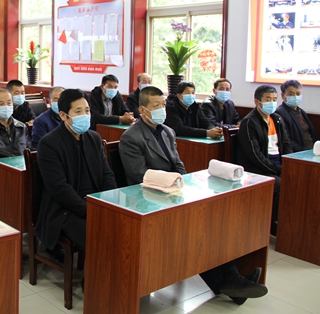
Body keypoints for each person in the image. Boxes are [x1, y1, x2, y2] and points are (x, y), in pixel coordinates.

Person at [120, 86, 268, 305]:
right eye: (156, 105)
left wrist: (182, 183)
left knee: (212, 221)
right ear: (142, 110)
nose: (162, 109)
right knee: (196, 229)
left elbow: (178, 164)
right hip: (150, 199)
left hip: (174, 192)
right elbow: (138, 176)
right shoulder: (131, 137)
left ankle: (232, 278)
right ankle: (231, 282)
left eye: (163, 104)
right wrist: (172, 184)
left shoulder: (167, 131)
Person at [36, 89, 116, 257]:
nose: (85, 116)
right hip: (65, 209)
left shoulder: (94, 138)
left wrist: (110, 201)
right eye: (78, 112)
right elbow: (59, 189)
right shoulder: (49, 143)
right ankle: (96, 273)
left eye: (87, 111)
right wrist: (89, 210)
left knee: (123, 226)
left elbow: (106, 174)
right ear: (63, 115)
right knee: (100, 235)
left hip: (95, 201)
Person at [237, 85, 293, 234]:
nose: (272, 103)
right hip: (257, 168)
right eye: (268, 99)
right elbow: (255, 156)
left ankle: (291, 221)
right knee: (280, 183)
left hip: (278, 164)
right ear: (257, 102)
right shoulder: (249, 122)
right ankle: (273, 223)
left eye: (274, 99)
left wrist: (289, 164)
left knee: (298, 179)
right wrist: (279, 170)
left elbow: (286, 144)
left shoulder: (277, 119)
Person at [276, 79, 318, 152]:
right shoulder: (280, 113)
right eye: (291, 94)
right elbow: (286, 140)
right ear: (283, 95)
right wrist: (303, 152)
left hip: (312, 151)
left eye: (298, 94)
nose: (295, 96)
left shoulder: (301, 111)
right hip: (298, 154)